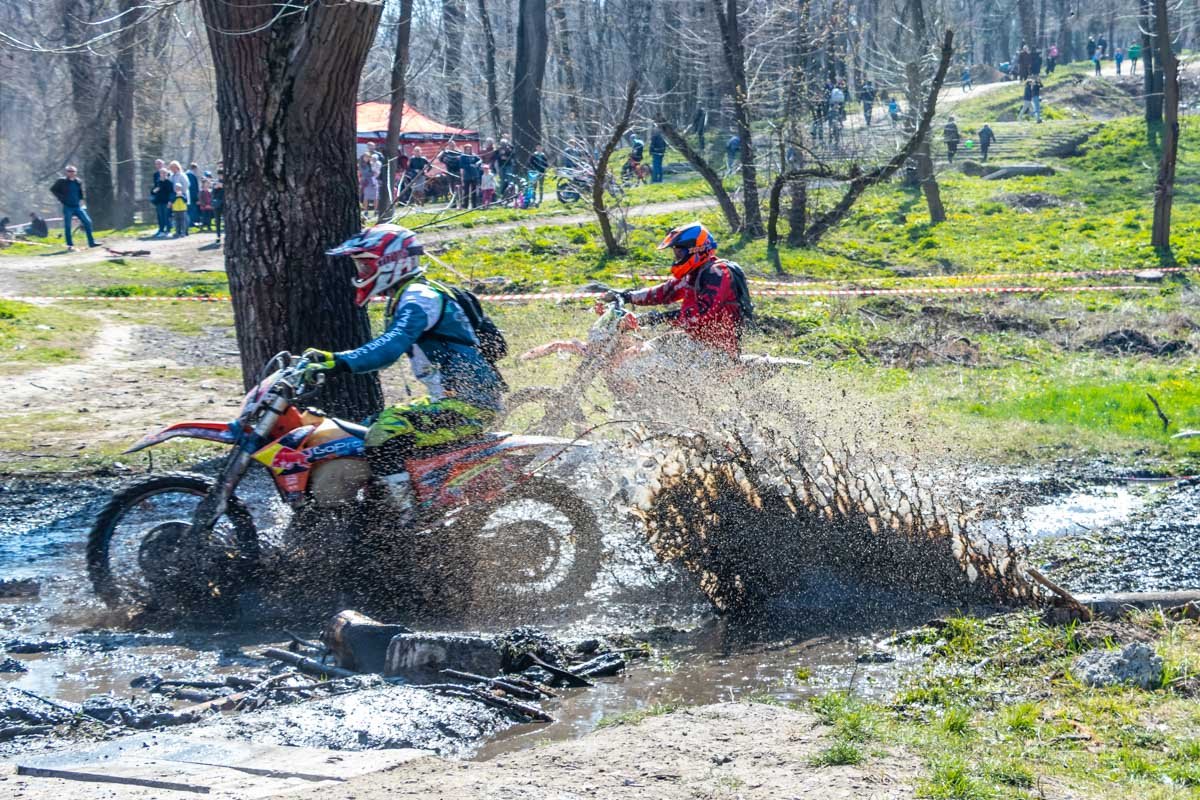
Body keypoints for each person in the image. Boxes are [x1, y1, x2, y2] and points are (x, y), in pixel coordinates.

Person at [302, 225, 505, 514]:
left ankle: (407, 521)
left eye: (365, 263)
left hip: (470, 404)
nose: (360, 272)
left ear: (391, 262)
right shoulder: (411, 294)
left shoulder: (419, 298)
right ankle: (377, 507)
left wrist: (340, 361)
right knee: (363, 430)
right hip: (449, 400)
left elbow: (390, 346)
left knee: (385, 433)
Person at [600, 222, 747, 359]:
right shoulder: (696, 273)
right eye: (676, 254)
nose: (677, 258)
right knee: (634, 354)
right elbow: (665, 292)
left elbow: (700, 315)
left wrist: (656, 318)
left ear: (697, 250)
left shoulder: (717, 273)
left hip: (717, 351)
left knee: (645, 362)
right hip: (694, 340)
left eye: (680, 254)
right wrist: (627, 296)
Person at [50, 165, 98, 250]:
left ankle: (91, 242)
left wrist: (81, 200)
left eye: (73, 171)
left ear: (75, 172)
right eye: (69, 171)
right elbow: (53, 189)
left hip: (77, 206)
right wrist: (61, 198)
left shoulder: (78, 182)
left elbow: (80, 193)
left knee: (88, 222)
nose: (71, 173)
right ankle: (70, 245)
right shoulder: (61, 181)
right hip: (67, 207)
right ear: (66, 172)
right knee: (68, 226)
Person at [151, 167, 174, 237]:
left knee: (167, 216)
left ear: (166, 174)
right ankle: (161, 230)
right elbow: (152, 191)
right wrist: (154, 191)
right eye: (161, 173)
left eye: (164, 173)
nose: (163, 174)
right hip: (159, 202)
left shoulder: (169, 182)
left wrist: (170, 201)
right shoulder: (158, 182)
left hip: (166, 202)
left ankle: (168, 230)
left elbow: (171, 193)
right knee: (160, 217)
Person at [211, 170, 225, 244]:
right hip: (217, 204)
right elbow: (212, 194)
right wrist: (215, 188)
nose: (221, 176)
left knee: (226, 220)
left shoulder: (226, 182)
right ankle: (218, 235)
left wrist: (223, 186)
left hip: (225, 203)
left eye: (222, 175)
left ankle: (226, 234)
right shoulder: (215, 183)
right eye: (219, 175)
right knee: (217, 221)